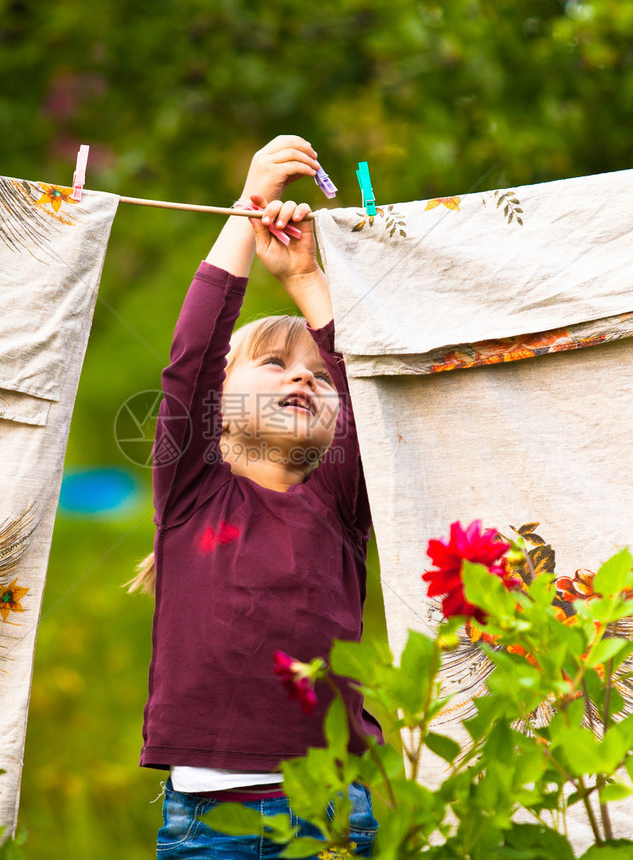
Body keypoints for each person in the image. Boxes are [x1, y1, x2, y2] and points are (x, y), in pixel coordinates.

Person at [131, 136, 380, 858]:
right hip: (210, 825)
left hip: (333, 812)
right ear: (219, 402)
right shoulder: (191, 494)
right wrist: (247, 211)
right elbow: (192, 360)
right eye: (274, 364)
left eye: (316, 375)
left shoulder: (339, 502)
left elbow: (366, 385)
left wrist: (306, 277)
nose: (305, 379)